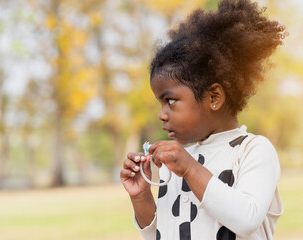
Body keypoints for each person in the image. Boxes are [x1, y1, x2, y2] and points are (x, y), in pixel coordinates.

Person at [120, 0, 286, 239]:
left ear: (214, 97)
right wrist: (141, 197)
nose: (161, 114)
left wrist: (189, 168)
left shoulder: (253, 151)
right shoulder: (174, 165)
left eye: (171, 101)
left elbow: (246, 219)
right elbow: (163, 234)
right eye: (160, 103)